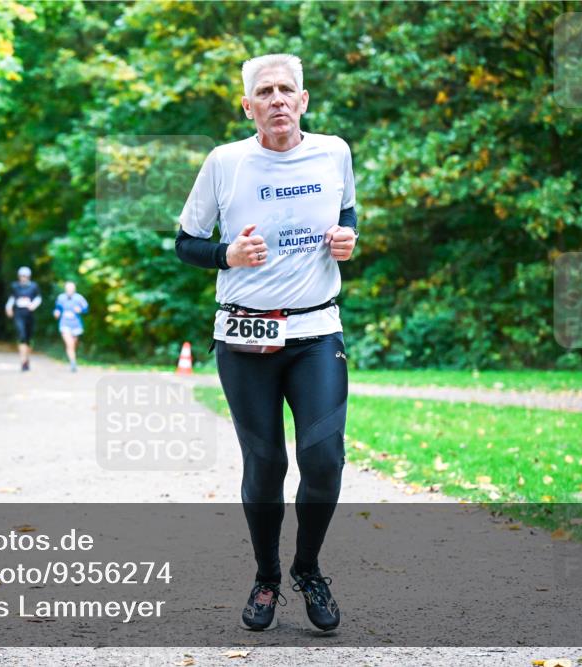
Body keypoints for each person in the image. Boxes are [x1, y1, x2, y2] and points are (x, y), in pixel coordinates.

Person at [175, 53, 358, 633]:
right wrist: (225, 254)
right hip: (245, 335)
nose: (277, 99)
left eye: (287, 90)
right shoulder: (225, 162)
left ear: (303, 101)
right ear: (247, 106)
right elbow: (186, 243)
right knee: (266, 462)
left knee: (324, 460)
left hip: (315, 331)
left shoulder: (334, 152)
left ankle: (308, 569)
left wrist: (347, 238)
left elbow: (347, 212)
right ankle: (267, 577)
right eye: (265, 91)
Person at [5, 266, 41, 371]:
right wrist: (8, 308)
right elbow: (11, 298)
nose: (23, 278)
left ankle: (27, 359)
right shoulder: (15, 286)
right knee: (22, 336)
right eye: (21, 276)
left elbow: (38, 298)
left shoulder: (34, 286)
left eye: (25, 276)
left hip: (29, 315)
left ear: (28, 276)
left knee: (29, 339)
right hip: (18, 314)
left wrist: (33, 305)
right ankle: (23, 361)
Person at [53, 281, 89, 372]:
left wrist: (81, 310)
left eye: (71, 288)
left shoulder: (79, 298)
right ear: (65, 289)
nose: (70, 290)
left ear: (74, 289)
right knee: (70, 343)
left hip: (76, 324)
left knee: (74, 344)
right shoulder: (61, 298)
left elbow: (86, 309)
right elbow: (57, 308)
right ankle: (73, 362)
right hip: (64, 324)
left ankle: (72, 358)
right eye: (68, 288)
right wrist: (56, 313)